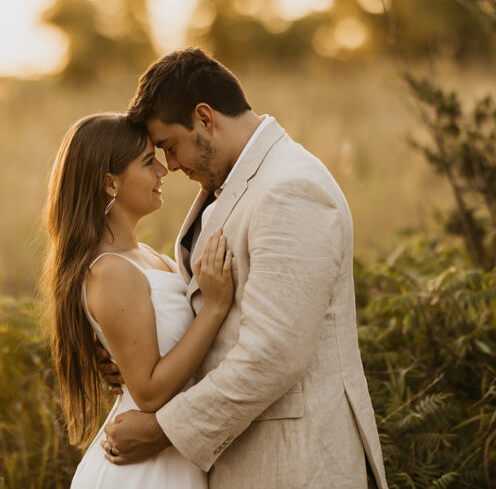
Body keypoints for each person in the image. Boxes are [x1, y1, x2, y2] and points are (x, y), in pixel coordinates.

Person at [99, 48, 389, 488]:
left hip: (297, 465)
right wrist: (136, 358)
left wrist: (163, 430)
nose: (171, 165)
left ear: (204, 118)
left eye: (170, 146)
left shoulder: (291, 188)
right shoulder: (235, 182)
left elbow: (273, 354)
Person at [40, 112, 236, 488]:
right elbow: (146, 392)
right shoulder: (110, 271)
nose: (164, 170)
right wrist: (214, 307)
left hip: (174, 452)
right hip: (144, 466)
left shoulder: (150, 257)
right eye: (148, 162)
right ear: (110, 183)